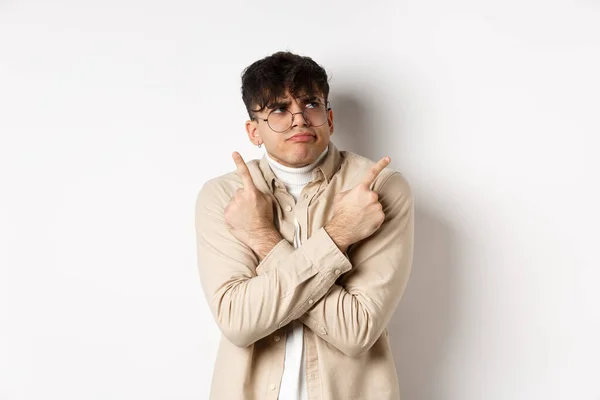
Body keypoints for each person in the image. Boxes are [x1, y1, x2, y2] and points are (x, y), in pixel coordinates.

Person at [194, 51, 414, 400]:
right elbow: (238, 321)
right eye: (279, 109)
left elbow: (356, 329)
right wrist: (341, 235)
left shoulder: (378, 191)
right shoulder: (225, 197)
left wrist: (262, 239)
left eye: (310, 104)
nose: (299, 119)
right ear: (254, 131)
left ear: (329, 118)